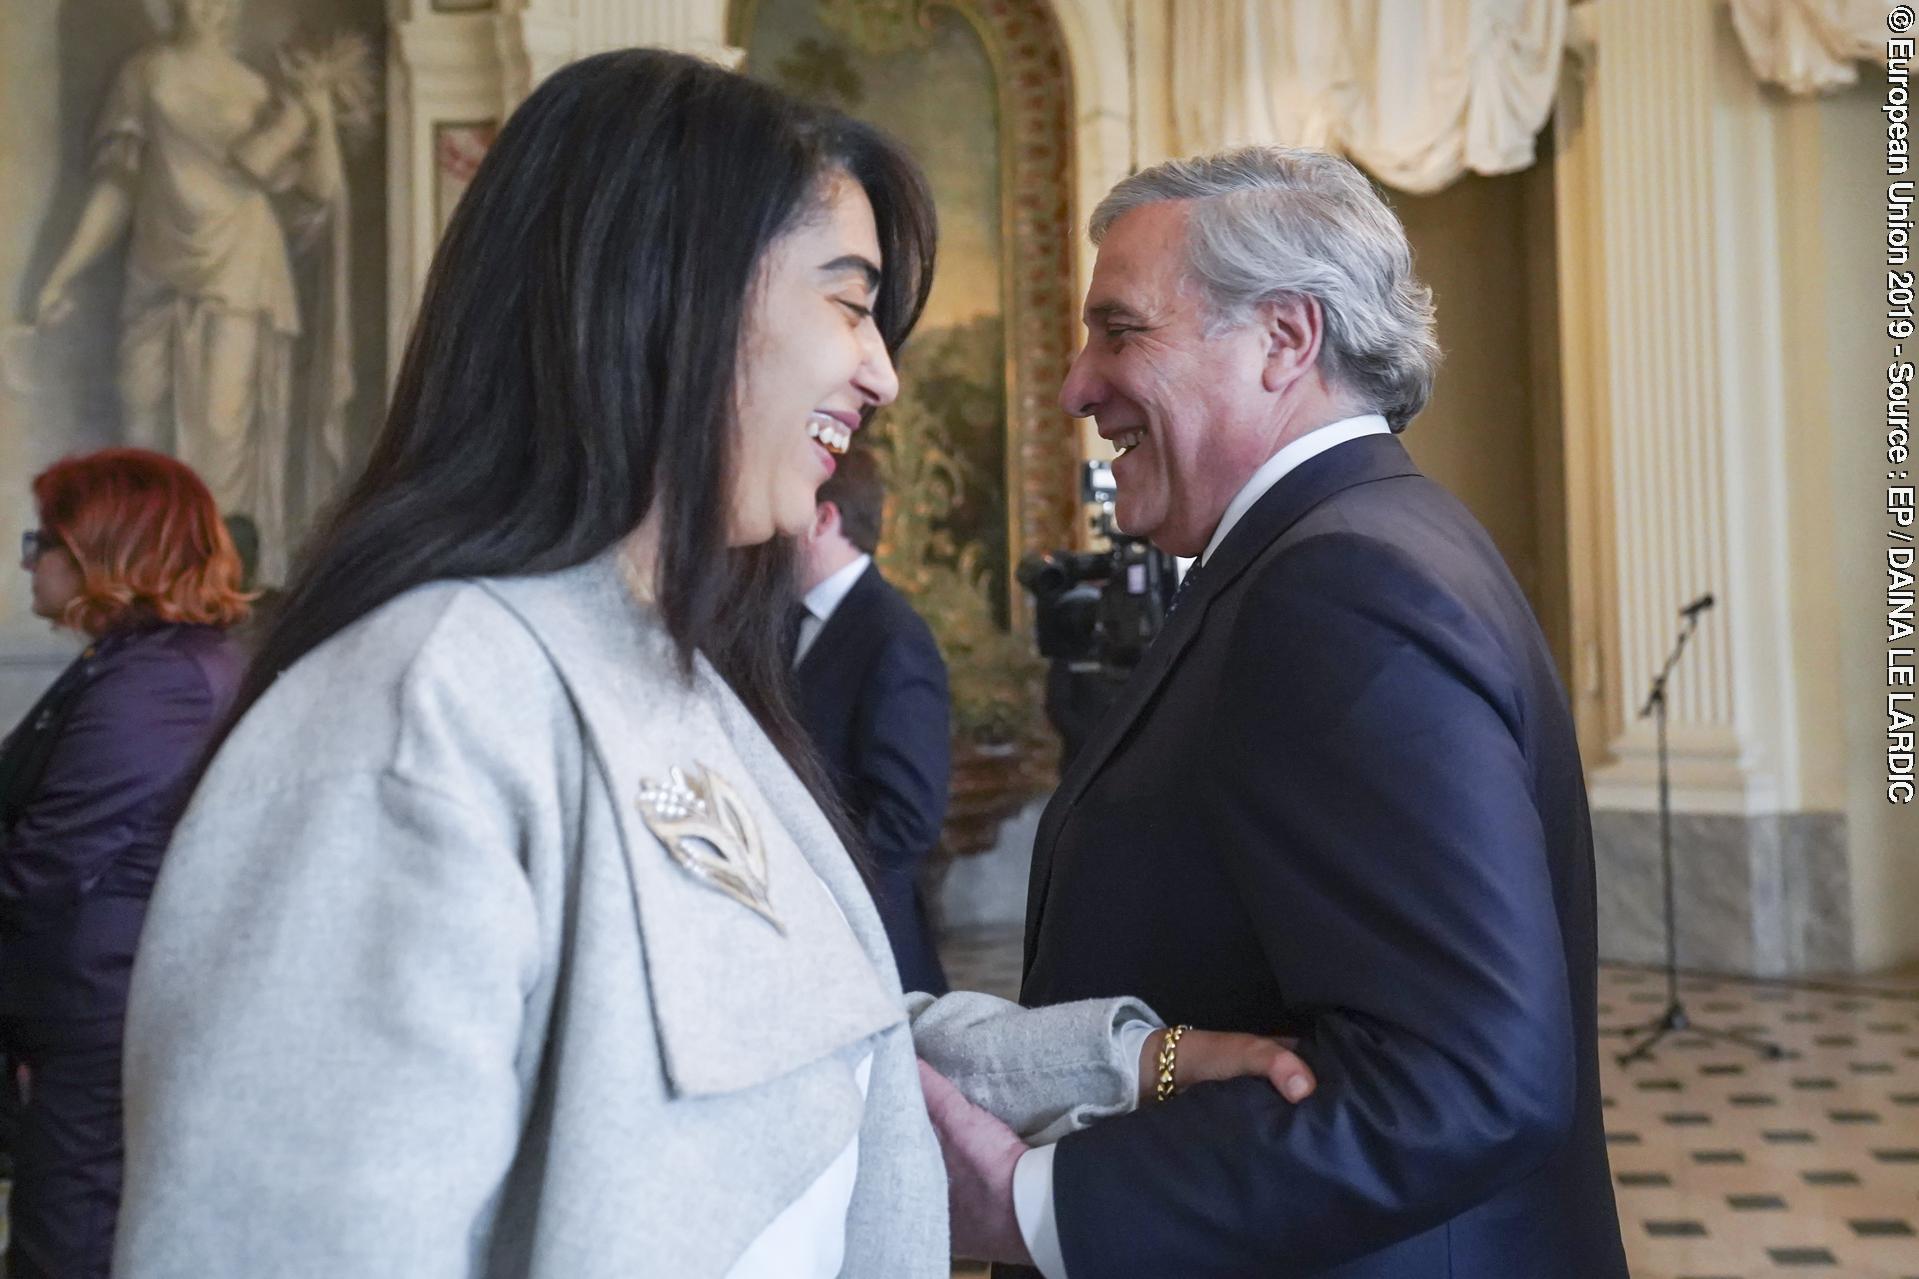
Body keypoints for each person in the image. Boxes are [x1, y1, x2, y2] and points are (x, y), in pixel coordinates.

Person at [111, 52, 1317, 1278]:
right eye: (848, 304)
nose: (881, 374)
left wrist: (1133, 1062)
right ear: (666, 294)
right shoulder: (416, 711)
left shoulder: (681, 675)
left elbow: (816, 1037)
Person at [928, 147, 1629, 1277]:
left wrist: (1034, 1205)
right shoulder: (1352, 543)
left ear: (1285, 339)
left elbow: (1459, 1079)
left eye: (1120, 331)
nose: (1076, 385)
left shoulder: (1339, 584)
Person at [0, 448, 249, 1279]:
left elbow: (53, 857)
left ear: (102, 548)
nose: (32, 561)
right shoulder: (137, 662)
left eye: (46, 540)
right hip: (85, 1003)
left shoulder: (162, 677)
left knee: (64, 1247)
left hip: (99, 1014)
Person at [32, 0, 362, 582]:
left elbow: (317, 192)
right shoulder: (146, 73)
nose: (206, 6)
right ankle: (143, 584)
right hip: (157, 270)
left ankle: (205, 591)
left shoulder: (255, 89)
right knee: (140, 421)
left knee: (219, 434)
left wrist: (317, 113)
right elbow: (117, 188)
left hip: (240, 272)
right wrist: (62, 274)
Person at [791, 446, 952, 994]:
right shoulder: (790, 622)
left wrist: (813, 886)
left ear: (822, 518)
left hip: (871, 953)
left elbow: (908, 817)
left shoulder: (892, 636)